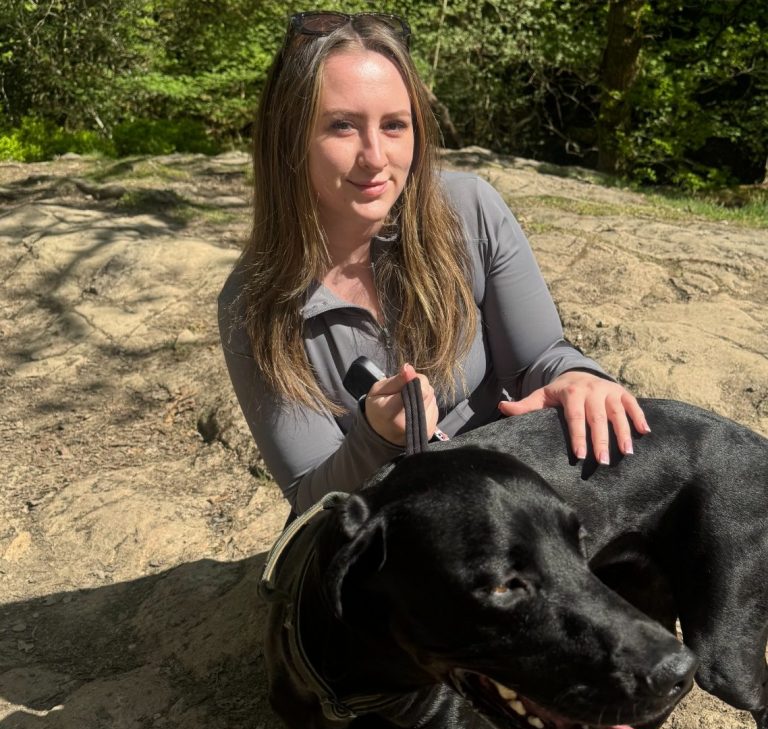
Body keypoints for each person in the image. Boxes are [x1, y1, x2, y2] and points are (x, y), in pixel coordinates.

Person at [218, 11, 650, 515]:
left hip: (514, 493)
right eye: (342, 126)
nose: (375, 157)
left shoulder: (470, 209)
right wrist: (377, 439)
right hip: (393, 531)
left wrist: (578, 377)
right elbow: (312, 500)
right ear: (288, 136)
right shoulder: (252, 304)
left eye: (395, 125)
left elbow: (539, 358)